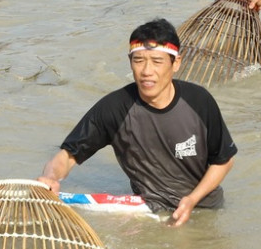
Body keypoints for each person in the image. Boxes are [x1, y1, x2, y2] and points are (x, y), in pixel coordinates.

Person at [37, 19, 237, 226]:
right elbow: (68, 156)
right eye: (139, 60)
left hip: (203, 210)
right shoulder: (114, 108)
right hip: (149, 211)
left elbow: (224, 160)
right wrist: (50, 177)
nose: (146, 71)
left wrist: (192, 199)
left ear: (176, 63)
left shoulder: (199, 101)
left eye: (157, 62)